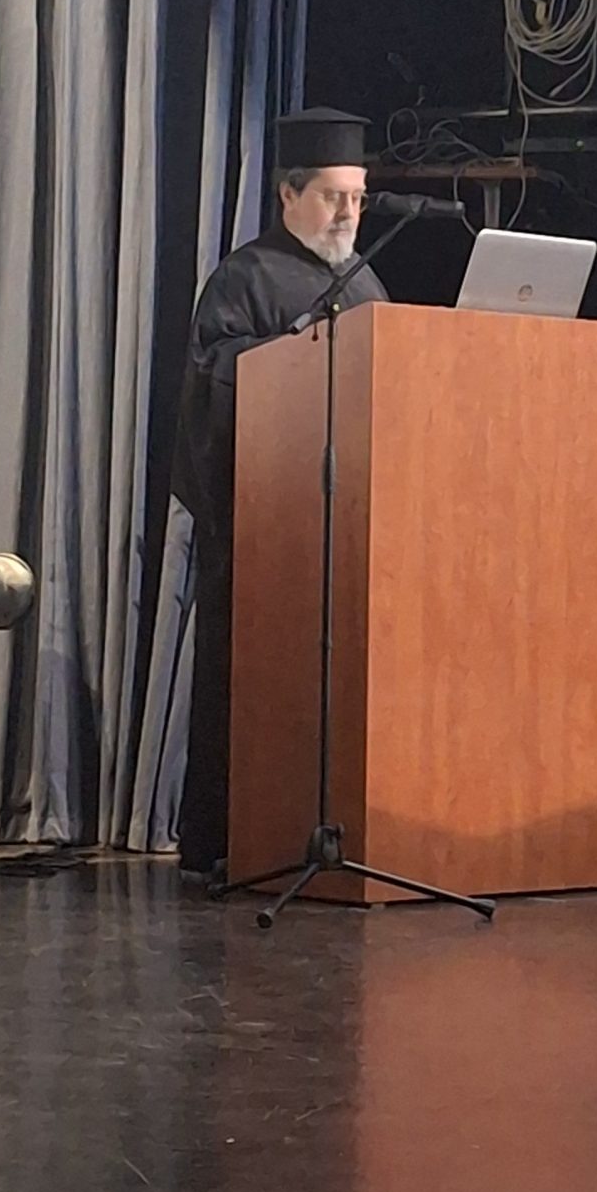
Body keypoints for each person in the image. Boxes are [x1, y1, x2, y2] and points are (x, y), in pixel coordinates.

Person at [171, 109, 387, 876]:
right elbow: (213, 385)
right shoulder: (245, 277)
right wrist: (294, 355)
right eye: (332, 196)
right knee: (252, 688)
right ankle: (233, 843)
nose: (348, 213)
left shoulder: (366, 283)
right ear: (289, 194)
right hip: (267, 529)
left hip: (349, 529)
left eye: (358, 198)